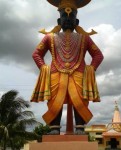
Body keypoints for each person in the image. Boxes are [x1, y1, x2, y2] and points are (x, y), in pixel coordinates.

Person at [31, 0, 104, 135]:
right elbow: (36, 54)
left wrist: (91, 69)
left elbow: (98, 55)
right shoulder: (49, 37)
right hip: (55, 74)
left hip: (79, 74)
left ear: (77, 22)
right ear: (59, 21)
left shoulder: (84, 38)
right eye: (65, 16)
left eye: (72, 16)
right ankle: (54, 128)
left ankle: (80, 127)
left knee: (80, 100)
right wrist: (43, 68)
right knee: (54, 101)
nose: (68, 19)